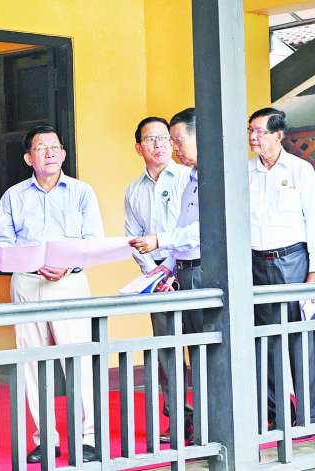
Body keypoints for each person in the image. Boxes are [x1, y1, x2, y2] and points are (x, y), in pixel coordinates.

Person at [0, 124, 102, 464]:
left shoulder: (82, 192)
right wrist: (12, 261)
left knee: (77, 359)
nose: (50, 153)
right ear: (29, 158)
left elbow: (93, 241)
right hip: (27, 282)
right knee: (32, 362)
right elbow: (2, 242)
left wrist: (67, 265)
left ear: (64, 154)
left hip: (69, 284)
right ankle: (45, 438)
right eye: (42, 148)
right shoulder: (13, 196)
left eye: (55, 147)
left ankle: (87, 438)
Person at [246, 107, 315, 430]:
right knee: (264, 342)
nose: (253, 137)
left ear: (278, 135)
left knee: (301, 340)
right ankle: (276, 413)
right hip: (255, 263)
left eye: (260, 131)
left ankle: (311, 416)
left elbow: (314, 221)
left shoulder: (300, 170)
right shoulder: (245, 173)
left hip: (293, 261)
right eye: (250, 131)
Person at [130, 108, 201, 443]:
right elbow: (133, 239)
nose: (161, 145)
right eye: (152, 140)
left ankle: (205, 417)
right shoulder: (133, 190)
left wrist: (170, 265)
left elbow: (191, 231)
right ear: (138, 147)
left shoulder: (189, 176)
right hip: (158, 279)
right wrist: (156, 276)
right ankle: (177, 418)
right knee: (167, 353)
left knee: (200, 347)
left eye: (167, 139)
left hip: (189, 268)